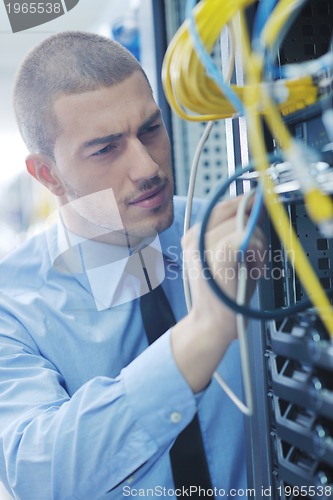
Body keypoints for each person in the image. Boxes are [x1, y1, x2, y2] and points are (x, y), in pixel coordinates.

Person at [0, 31, 265, 499]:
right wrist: (200, 336)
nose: (147, 168)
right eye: (106, 148)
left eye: (150, 129)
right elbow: (38, 474)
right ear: (47, 174)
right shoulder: (12, 305)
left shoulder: (232, 230)